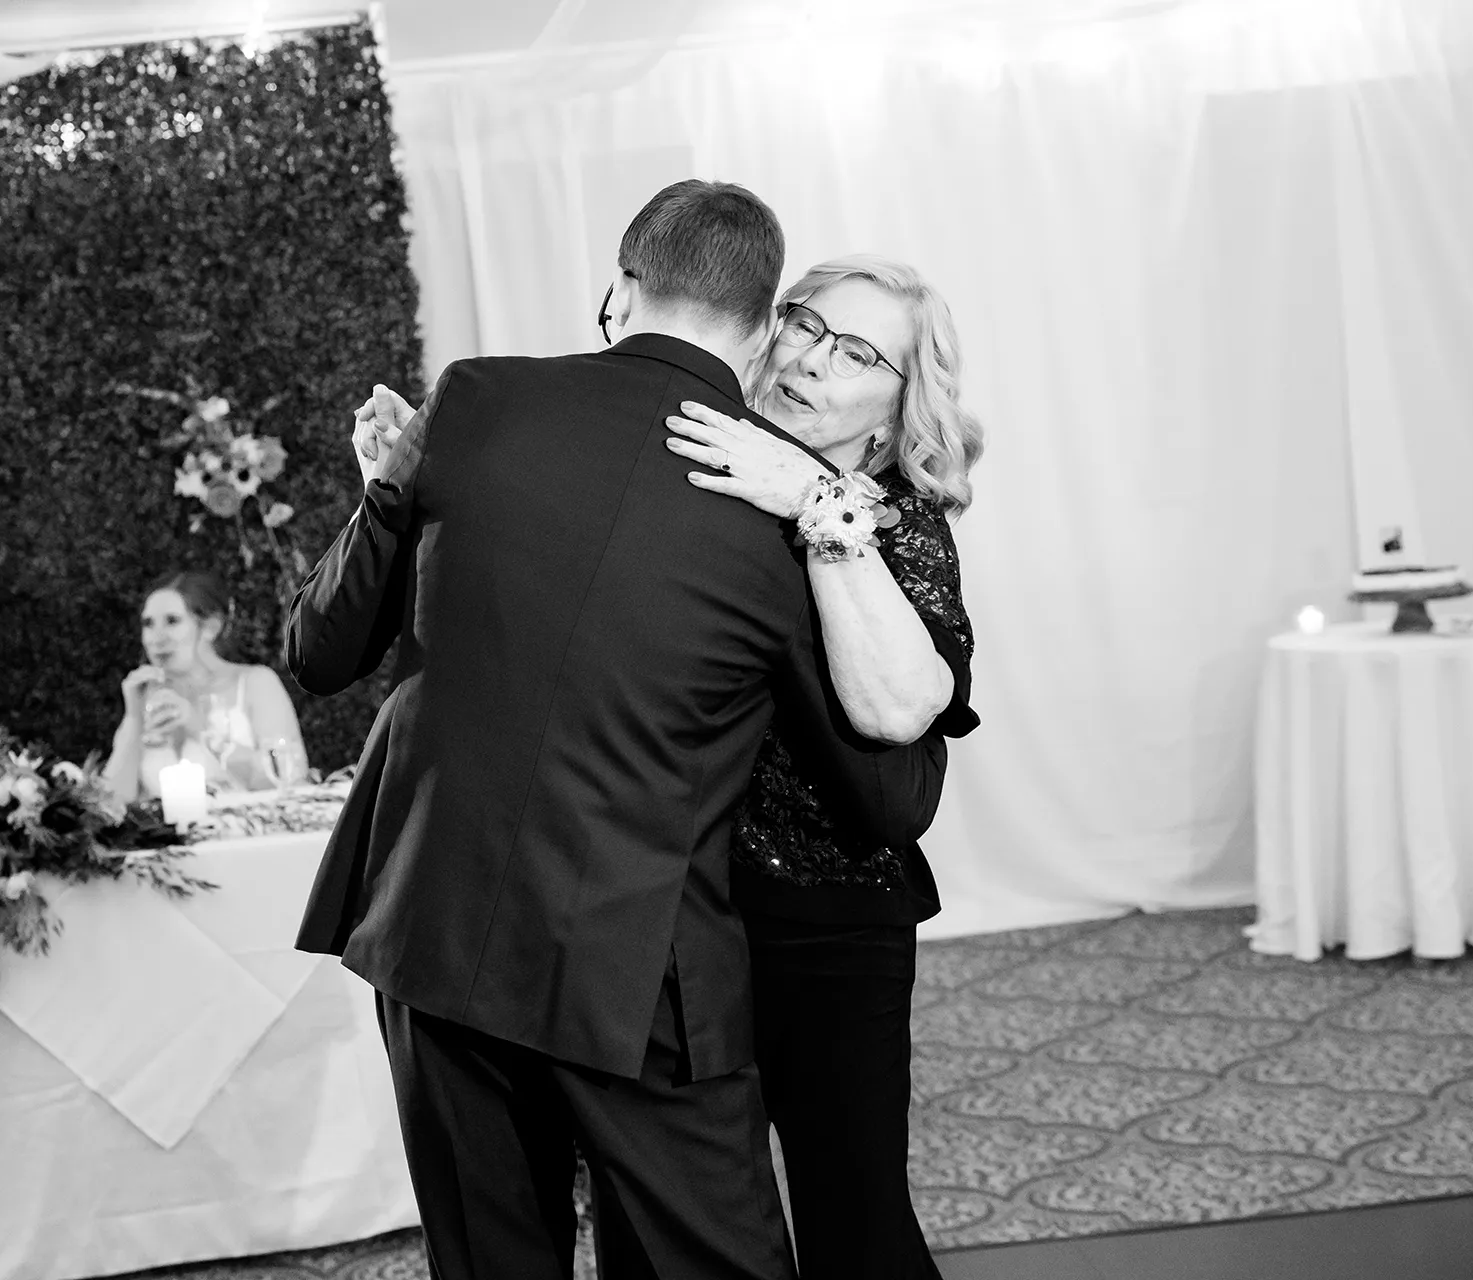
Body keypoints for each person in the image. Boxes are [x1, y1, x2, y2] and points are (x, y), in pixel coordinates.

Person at [283, 181, 948, 1280]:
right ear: (762, 324)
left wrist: (388, 489)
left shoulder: (477, 398)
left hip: (434, 923)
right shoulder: (777, 495)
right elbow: (890, 792)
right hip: (638, 964)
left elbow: (318, 653)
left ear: (620, 287)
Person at [664, 254, 984, 1277]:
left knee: (854, 1220)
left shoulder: (898, 520)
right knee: (682, 1216)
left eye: (856, 354)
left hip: (826, 912)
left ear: (893, 415)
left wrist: (809, 494)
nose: (811, 358)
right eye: (803, 323)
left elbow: (899, 709)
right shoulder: (691, 463)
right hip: (675, 912)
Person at [104, 569, 308, 804]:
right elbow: (110, 804)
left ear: (211, 627)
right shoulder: (148, 700)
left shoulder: (256, 683)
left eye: (172, 621)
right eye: (148, 624)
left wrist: (198, 728)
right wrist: (133, 718)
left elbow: (290, 779)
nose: (156, 638)